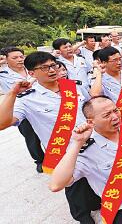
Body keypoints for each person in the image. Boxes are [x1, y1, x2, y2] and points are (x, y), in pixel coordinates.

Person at [0, 51, 100, 223]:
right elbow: (3, 123)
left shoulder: (72, 86)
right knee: (73, 185)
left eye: (53, 65)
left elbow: (90, 108)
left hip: (91, 142)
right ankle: (82, 216)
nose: (52, 70)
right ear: (31, 73)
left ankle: (96, 202)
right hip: (65, 150)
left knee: (95, 177)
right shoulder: (27, 99)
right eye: (44, 67)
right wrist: (12, 94)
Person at [49, 96, 122, 224]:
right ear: (91, 122)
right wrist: (76, 143)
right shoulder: (86, 151)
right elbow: (55, 185)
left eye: (116, 110)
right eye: (107, 114)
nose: (115, 117)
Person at [0, 47, 44, 172]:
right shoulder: (3, 74)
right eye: (14, 58)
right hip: (21, 109)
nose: (19, 60)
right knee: (31, 137)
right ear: (5, 59)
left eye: (21, 57)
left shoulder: (32, 69)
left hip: (41, 105)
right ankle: (40, 160)